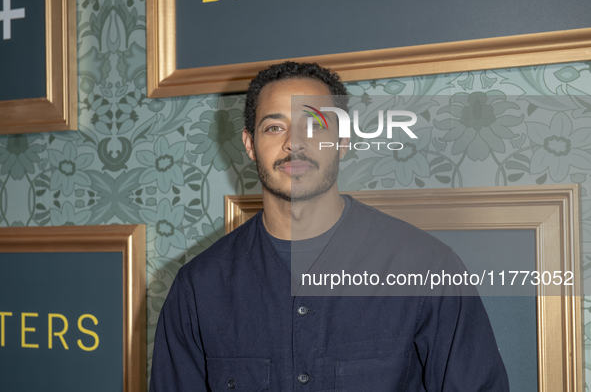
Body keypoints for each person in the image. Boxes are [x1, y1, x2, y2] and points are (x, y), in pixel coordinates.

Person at [149, 61, 509, 391]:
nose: (294, 143)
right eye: (275, 127)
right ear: (250, 145)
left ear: (343, 140)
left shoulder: (427, 267)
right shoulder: (198, 287)